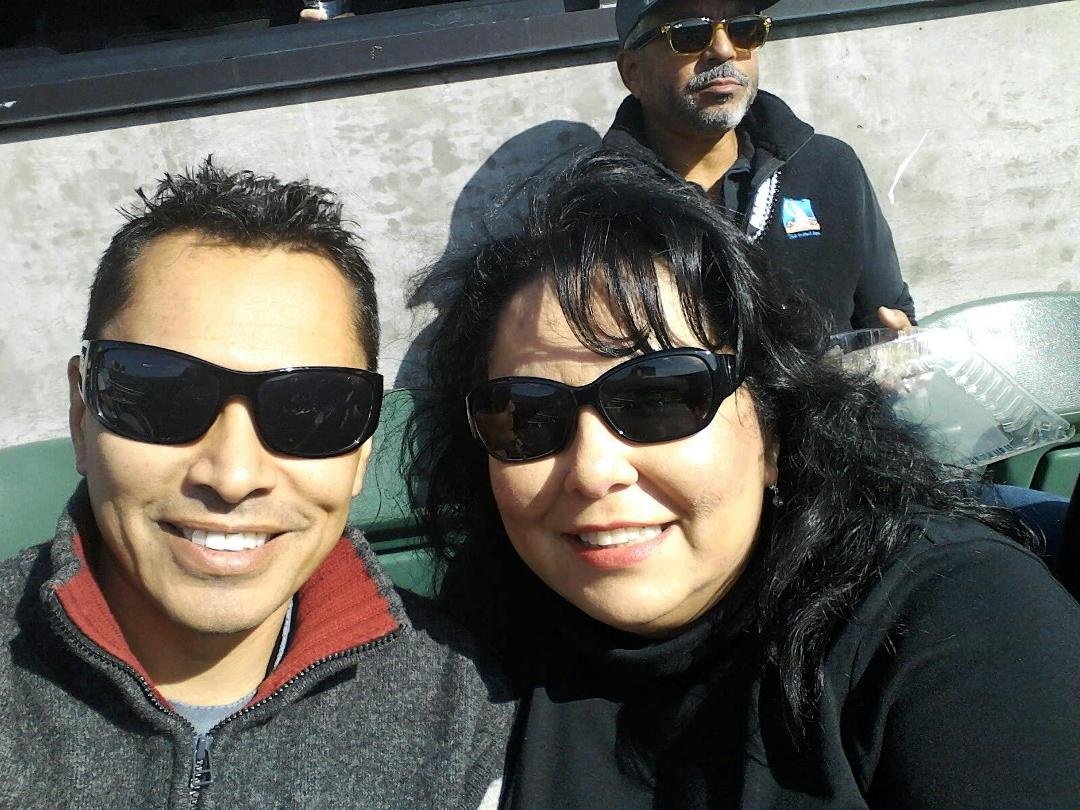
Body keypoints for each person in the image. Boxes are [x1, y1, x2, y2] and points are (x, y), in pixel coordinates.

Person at [409, 150, 1080, 807]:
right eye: (526, 417)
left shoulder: (955, 624)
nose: (592, 471)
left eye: (660, 398)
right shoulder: (457, 671)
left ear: (775, 430)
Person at [0, 160, 511, 807]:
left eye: (311, 409)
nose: (233, 476)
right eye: (160, 396)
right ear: (82, 415)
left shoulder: (466, 712)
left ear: (362, 449)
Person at [607, 0, 915, 332]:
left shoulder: (829, 168)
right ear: (632, 71)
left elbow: (890, 319)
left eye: (744, 29)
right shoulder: (601, 207)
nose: (724, 50)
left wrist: (901, 342)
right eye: (689, 33)